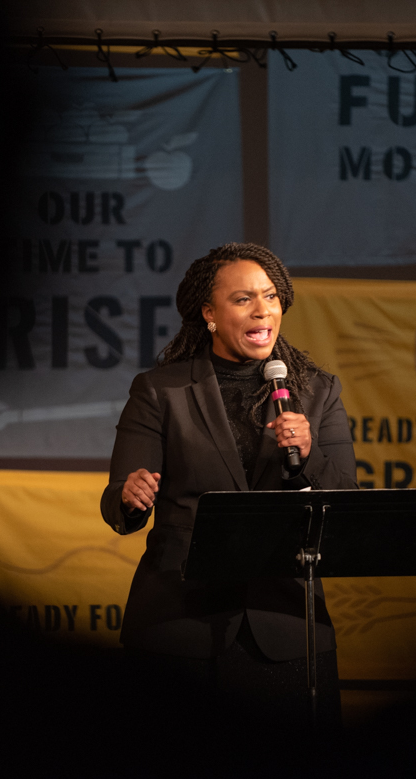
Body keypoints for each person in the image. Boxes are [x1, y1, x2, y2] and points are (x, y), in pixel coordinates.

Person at [100, 242, 359, 723]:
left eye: (271, 297)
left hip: (286, 628)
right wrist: (131, 497)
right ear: (209, 313)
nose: (263, 309)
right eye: (243, 299)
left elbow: (345, 504)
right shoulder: (161, 391)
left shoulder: (319, 392)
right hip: (179, 624)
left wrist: (307, 457)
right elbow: (119, 502)